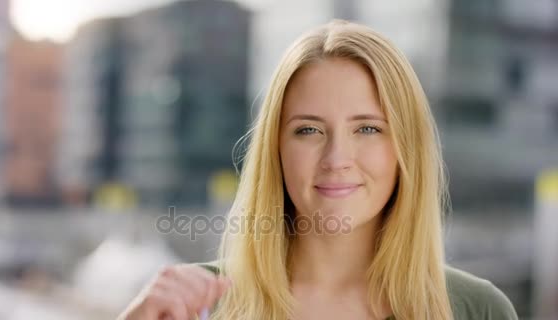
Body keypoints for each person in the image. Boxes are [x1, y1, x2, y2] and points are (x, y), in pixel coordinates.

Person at [118, 20, 519, 320]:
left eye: (367, 128)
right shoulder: (197, 306)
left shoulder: (477, 310)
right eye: (308, 130)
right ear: (275, 149)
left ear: (406, 148)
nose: (337, 158)